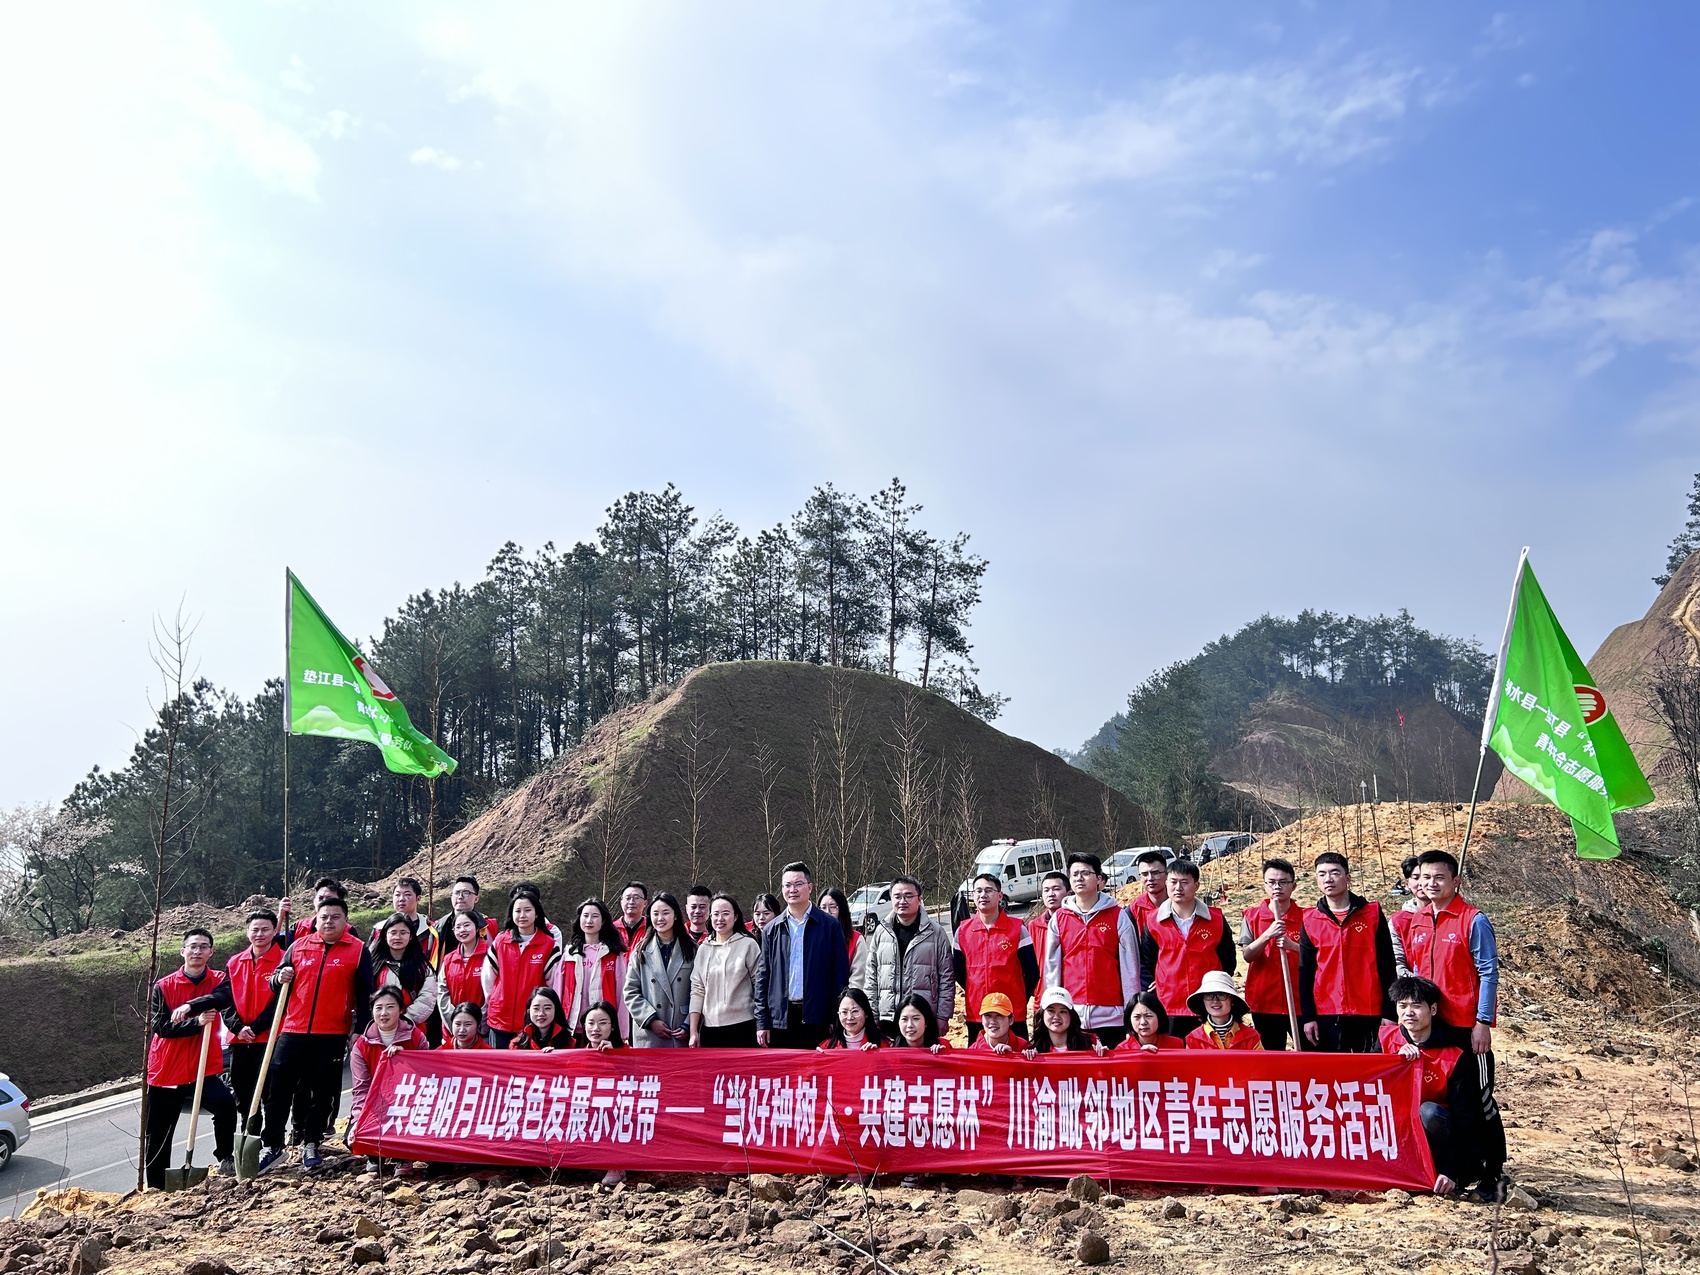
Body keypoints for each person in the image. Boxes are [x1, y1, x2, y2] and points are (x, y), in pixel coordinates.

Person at [261, 898, 374, 1172]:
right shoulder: (298, 946)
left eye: (335, 917)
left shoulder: (358, 950)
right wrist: (279, 977)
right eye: (324, 917)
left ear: (345, 920)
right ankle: (273, 1146)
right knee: (278, 1089)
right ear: (316, 919)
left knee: (322, 1093)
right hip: (293, 1029)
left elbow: (364, 994)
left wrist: (359, 1031)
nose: (329, 921)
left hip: (332, 1033)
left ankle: (311, 1143)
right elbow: (275, 981)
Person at [1382, 976, 1506, 1198]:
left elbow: (1465, 1118)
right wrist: (1393, 1061)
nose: (1409, 1012)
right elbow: (1369, 1086)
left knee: (1429, 1113)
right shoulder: (1386, 1040)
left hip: (1438, 1129)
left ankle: (1457, 1170)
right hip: (1400, 1128)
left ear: (1433, 1009)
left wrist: (1450, 1170)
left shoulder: (1453, 1056)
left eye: (1416, 1006)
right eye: (1402, 1006)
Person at [147, 929, 238, 1186]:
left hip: (202, 1068)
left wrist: (190, 1006)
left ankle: (225, 1157)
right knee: (160, 1133)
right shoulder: (164, 986)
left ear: (211, 952)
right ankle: (157, 1186)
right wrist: (196, 1022)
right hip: (168, 1070)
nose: (197, 951)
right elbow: (161, 1027)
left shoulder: (219, 979)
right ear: (183, 951)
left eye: (203, 947)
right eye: (193, 946)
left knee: (226, 1106)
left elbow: (223, 997)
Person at [183, 909, 282, 1142]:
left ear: (274, 931)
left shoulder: (284, 960)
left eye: (265, 929)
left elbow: (281, 1002)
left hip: (270, 1039)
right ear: (247, 932)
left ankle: (273, 1141)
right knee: (243, 1094)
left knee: (271, 1094)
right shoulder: (235, 962)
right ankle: (250, 1139)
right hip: (239, 1039)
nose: (259, 934)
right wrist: (238, 1028)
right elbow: (225, 999)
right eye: (255, 929)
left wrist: (256, 1028)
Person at [1299, 852, 1397, 1053]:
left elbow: (1387, 965)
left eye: (1335, 872)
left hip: (1369, 1009)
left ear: (1348, 877)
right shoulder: (1310, 919)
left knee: (1369, 1069)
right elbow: (1305, 971)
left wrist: (1389, 1012)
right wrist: (1308, 1017)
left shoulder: (1372, 914)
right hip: (1328, 1011)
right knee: (1334, 1069)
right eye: (1322, 874)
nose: (1328, 879)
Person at [1404, 851, 1499, 1054]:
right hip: (1429, 1022)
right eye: (1426, 877)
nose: (1431, 883)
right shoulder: (1418, 919)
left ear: (1456, 881)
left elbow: (1488, 974)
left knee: (1469, 1075)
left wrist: (1483, 1022)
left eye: (1439, 877)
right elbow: (1417, 969)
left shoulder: (1474, 920)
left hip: (1463, 1023)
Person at [1045, 853, 1140, 1048]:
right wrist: (1053, 1008)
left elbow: (1130, 968)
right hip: (1073, 1015)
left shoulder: (1117, 916)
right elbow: (1051, 968)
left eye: (1085, 873)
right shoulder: (1059, 919)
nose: (1079, 878)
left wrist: (1131, 1012)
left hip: (1111, 1015)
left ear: (1098, 879)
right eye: (1075, 874)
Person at [754, 861, 850, 1049]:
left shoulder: (829, 926)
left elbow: (840, 975)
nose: (793, 890)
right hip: (780, 1019)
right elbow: (762, 978)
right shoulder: (772, 929)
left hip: (818, 1018)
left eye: (798, 884)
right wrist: (761, 1021)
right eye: (787, 885)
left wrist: (835, 1017)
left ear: (810, 887)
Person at [1139, 859, 1236, 1040]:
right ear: (1166, 883)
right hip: (1170, 1004)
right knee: (1173, 1054)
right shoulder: (1153, 921)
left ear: (1196, 885)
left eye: (1185, 882)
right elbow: (1148, 958)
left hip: (1207, 1003)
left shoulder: (1215, 919)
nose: (1178, 888)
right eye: (1173, 882)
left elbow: (1228, 959)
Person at [862, 875, 955, 1039]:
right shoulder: (881, 932)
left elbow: (947, 978)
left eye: (908, 896)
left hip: (923, 1017)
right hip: (887, 1017)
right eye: (897, 896)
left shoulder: (936, 933)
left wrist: (943, 1016)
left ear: (919, 898)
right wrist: (872, 1013)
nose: (902, 901)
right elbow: (871, 976)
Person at [954, 873, 1039, 1044]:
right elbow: (959, 973)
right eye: (978, 891)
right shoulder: (963, 931)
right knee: (980, 1057)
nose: (983, 895)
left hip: (1011, 1012)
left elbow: (1032, 972)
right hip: (978, 1012)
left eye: (988, 890)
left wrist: (1019, 998)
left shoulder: (1017, 929)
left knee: (1018, 1057)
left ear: (1000, 895)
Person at [1239, 858, 1309, 1051]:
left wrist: (1293, 946)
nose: (1277, 887)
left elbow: (1318, 955)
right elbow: (1247, 955)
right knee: (1271, 1055)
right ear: (1264, 885)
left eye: (1283, 882)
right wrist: (1267, 935)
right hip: (1264, 1002)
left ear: (1293, 886)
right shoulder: (1252, 916)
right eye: (1271, 882)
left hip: (1300, 1000)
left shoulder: (1307, 917)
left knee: (1308, 1053)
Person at [481, 890, 562, 1048]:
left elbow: (554, 984)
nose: (522, 915)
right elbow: (488, 978)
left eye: (528, 910)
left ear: (537, 913)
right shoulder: (501, 941)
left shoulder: (548, 945)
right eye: (517, 911)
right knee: (499, 1062)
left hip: (533, 1021)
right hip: (499, 1019)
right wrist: (494, 1001)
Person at [348, 987, 428, 1136]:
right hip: (376, 1106)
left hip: (410, 1104)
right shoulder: (361, 1046)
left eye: (390, 1007)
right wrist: (359, 1120)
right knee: (356, 1139)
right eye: (378, 1008)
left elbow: (427, 1077)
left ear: (401, 1010)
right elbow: (361, 1089)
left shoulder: (417, 1037)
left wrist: (406, 1058)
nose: (384, 1013)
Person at [689, 893, 761, 1047]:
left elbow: (759, 986)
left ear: (735, 917)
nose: (720, 919)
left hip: (743, 1026)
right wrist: (693, 1031)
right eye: (715, 914)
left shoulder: (748, 945)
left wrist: (762, 1024)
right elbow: (697, 989)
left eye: (726, 914)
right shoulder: (703, 948)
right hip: (710, 1029)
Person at [624, 893, 696, 1047]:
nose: (660, 918)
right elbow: (630, 991)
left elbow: (700, 990)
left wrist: (689, 1023)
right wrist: (651, 1020)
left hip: (680, 1029)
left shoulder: (692, 949)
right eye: (655, 913)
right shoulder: (640, 951)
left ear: (675, 915)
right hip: (650, 1034)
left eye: (665, 913)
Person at [575, 1001, 630, 1188]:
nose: (595, 1028)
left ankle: (617, 1165)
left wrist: (614, 1058)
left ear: (613, 1026)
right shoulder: (577, 1054)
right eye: (590, 1023)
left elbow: (633, 1082)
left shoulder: (626, 1052)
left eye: (602, 1023)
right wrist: (549, 1056)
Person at [562, 898, 629, 1038]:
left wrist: (623, 1032)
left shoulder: (613, 954)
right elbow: (559, 990)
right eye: (585, 916)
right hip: (572, 1026)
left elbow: (622, 993)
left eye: (595, 916)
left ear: (603, 921)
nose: (589, 921)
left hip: (602, 1029)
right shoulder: (569, 953)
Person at [366, 912, 439, 1032]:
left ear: (411, 936)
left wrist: (404, 1020)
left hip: (411, 1029)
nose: (397, 937)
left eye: (403, 932)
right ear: (385, 935)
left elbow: (427, 999)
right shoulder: (372, 965)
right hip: (377, 1028)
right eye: (393, 932)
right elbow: (364, 995)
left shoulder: (423, 967)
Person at [1183, 971, 1263, 1051]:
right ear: (1203, 1001)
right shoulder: (1193, 1039)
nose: (1215, 1000)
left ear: (1232, 1000)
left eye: (1221, 995)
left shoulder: (1251, 1037)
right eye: (1209, 995)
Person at [436, 911, 490, 1030]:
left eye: (466, 925)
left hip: (483, 1028)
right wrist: (455, 1022)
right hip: (453, 1029)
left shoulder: (490, 955)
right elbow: (442, 992)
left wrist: (479, 1023)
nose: (462, 930)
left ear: (477, 927)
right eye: (458, 927)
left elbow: (494, 993)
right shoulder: (449, 959)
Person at [1026, 987, 1107, 1056]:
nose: (1056, 1017)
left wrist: (1106, 1055)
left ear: (1071, 1015)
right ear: (1042, 1014)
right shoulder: (1034, 1049)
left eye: (1063, 1012)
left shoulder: (1091, 1043)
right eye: (1051, 1011)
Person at [433, 875, 499, 959]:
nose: (460, 897)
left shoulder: (488, 925)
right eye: (457, 893)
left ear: (476, 899)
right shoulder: (439, 926)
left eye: (466, 893)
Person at [1029, 871, 1068, 1005]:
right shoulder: (1034, 926)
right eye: (1046, 890)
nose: (1051, 894)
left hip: (1071, 996)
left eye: (1056, 889)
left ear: (1068, 893)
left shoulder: (1076, 924)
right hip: (1043, 997)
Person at [388, 878, 438, 963]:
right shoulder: (380, 930)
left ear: (418, 898)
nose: (401, 899)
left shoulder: (432, 931)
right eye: (397, 895)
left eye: (407, 894)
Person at [819, 987, 885, 1051]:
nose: (850, 1017)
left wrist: (877, 1054)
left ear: (866, 1013)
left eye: (855, 1011)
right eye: (844, 1012)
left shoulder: (884, 1044)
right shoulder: (827, 1047)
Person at [509, 987, 574, 1051]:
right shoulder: (516, 1044)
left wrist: (555, 1055)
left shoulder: (570, 1044)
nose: (541, 1013)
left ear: (556, 1010)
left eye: (547, 1008)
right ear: (529, 1011)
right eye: (536, 1009)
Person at [821, 887, 863, 980]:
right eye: (823, 908)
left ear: (842, 909)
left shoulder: (856, 939)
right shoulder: (813, 938)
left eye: (832, 907)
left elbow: (859, 977)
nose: (827, 912)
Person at [1125, 850, 1171, 934]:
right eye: (1145, 874)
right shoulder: (1134, 910)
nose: (1150, 878)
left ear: (1166, 874)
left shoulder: (1180, 904)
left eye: (1155, 873)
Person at [615, 882, 650, 951]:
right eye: (627, 898)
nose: (631, 902)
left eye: (636, 898)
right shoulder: (611, 929)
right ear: (621, 902)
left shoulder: (650, 928)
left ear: (645, 903)